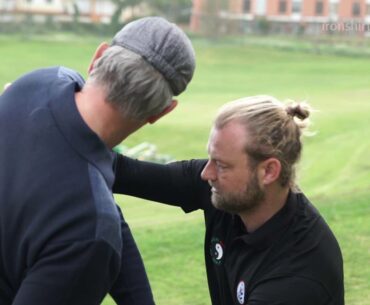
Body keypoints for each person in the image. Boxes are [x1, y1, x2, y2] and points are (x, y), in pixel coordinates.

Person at [0, 17, 195, 305]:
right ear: (162, 112)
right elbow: (89, 214)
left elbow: (93, 196)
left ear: (98, 57)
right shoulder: (89, 231)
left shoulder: (37, 83)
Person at [113, 95, 344, 305]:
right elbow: (121, 171)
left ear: (268, 172)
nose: (206, 174)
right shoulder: (230, 191)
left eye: (222, 165)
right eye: (210, 158)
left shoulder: (296, 277)